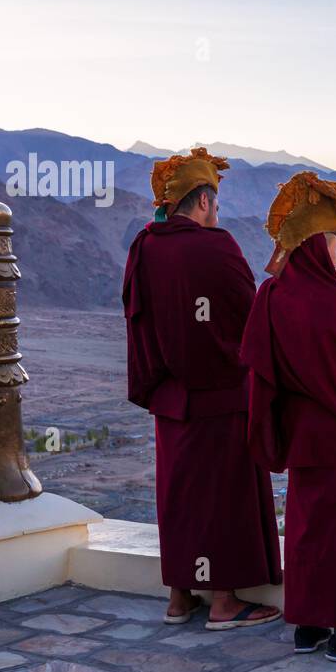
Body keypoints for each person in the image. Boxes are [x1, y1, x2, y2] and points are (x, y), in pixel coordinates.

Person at [240, 171, 336, 661]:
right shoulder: (329, 304)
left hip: (301, 437)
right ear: (316, 245)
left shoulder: (273, 295)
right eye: (333, 243)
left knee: (309, 526)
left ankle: (307, 626)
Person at [122, 147, 282, 629]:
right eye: (216, 205)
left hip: (170, 398)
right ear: (205, 202)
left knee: (180, 494)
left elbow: (139, 321)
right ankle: (224, 602)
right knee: (220, 497)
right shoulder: (217, 247)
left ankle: (179, 596)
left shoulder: (144, 247)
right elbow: (250, 317)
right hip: (221, 397)